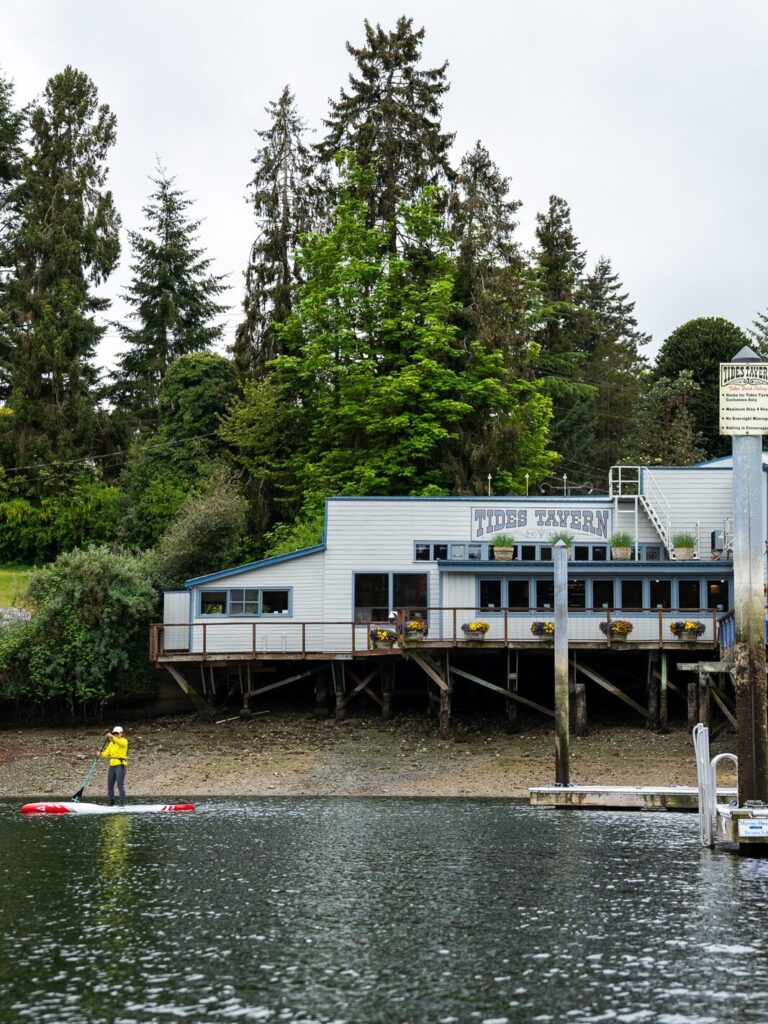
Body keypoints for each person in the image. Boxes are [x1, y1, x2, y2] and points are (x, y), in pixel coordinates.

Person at [100, 726, 129, 806]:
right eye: (114, 733)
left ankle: (122, 803)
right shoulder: (111, 743)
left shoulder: (124, 741)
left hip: (120, 765)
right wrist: (100, 754)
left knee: (120, 784)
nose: (115, 734)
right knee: (110, 785)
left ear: (121, 734)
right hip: (112, 765)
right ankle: (111, 801)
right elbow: (106, 754)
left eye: (117, 733)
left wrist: (112, 736)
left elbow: (120, 743)